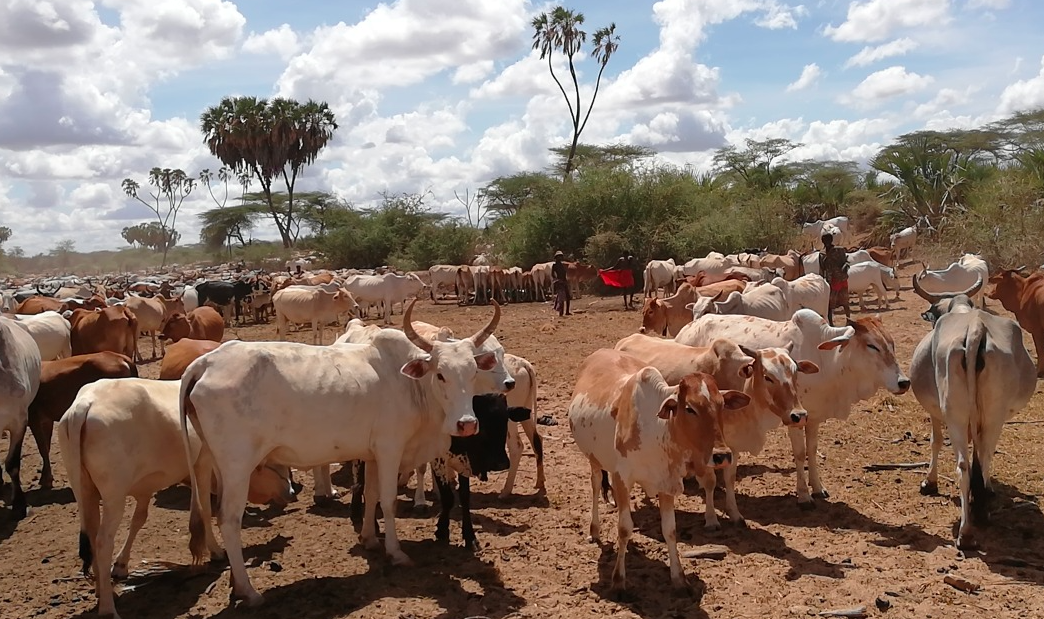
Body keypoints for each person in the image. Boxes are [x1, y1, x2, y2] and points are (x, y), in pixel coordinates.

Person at [819, 233, 850, 326]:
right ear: (823, 242)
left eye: (828, 240)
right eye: (825, 241)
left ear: (831, 240)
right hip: (831, 281)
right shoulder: (822, 254)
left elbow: (846, 262)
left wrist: (845, 267)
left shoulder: (840, 250)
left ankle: (848, 320)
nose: (827, 243)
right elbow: (822, 268)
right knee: (830, 304)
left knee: (845, 302)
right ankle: (831, 323)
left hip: (841, 278)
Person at [551, 250, 570, 316]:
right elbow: (552, 274)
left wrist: (565, 280)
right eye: (558, 257)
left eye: (560, 257)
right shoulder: (554, 266)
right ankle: (561, 312)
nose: (560, 258)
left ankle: (567, 311)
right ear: (556, 258)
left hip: (564, 281)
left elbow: (564, 274)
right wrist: (557, 280)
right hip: (559, 282)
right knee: (561, 298)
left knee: (568, 297)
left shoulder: (562, 265)